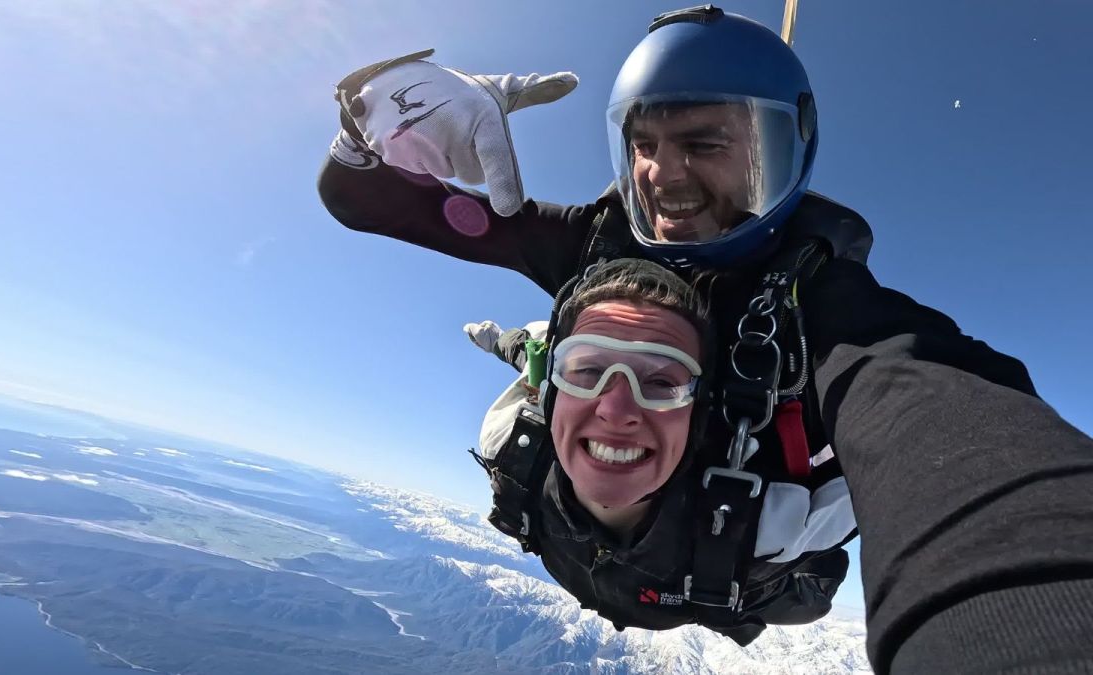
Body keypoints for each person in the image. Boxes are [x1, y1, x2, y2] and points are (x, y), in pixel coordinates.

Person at [317, 7, 1093, 673]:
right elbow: (361, 200)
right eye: (644, 143)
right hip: (586, 544)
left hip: (711, 579)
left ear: (783, 150)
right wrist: (374, 117)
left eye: (705, 142)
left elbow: (951, 429)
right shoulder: (592, 247)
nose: (662, 174)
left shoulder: (826, 307)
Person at [466, 259, 855, 646]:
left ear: (697, 413)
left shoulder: (768, 529)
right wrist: (499, 339)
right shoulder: (513, 445)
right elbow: (529, 354)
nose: (616, 411)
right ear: (552, 395)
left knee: (813, 602)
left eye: (661, 380)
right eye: (587, 371)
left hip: (741, 584)